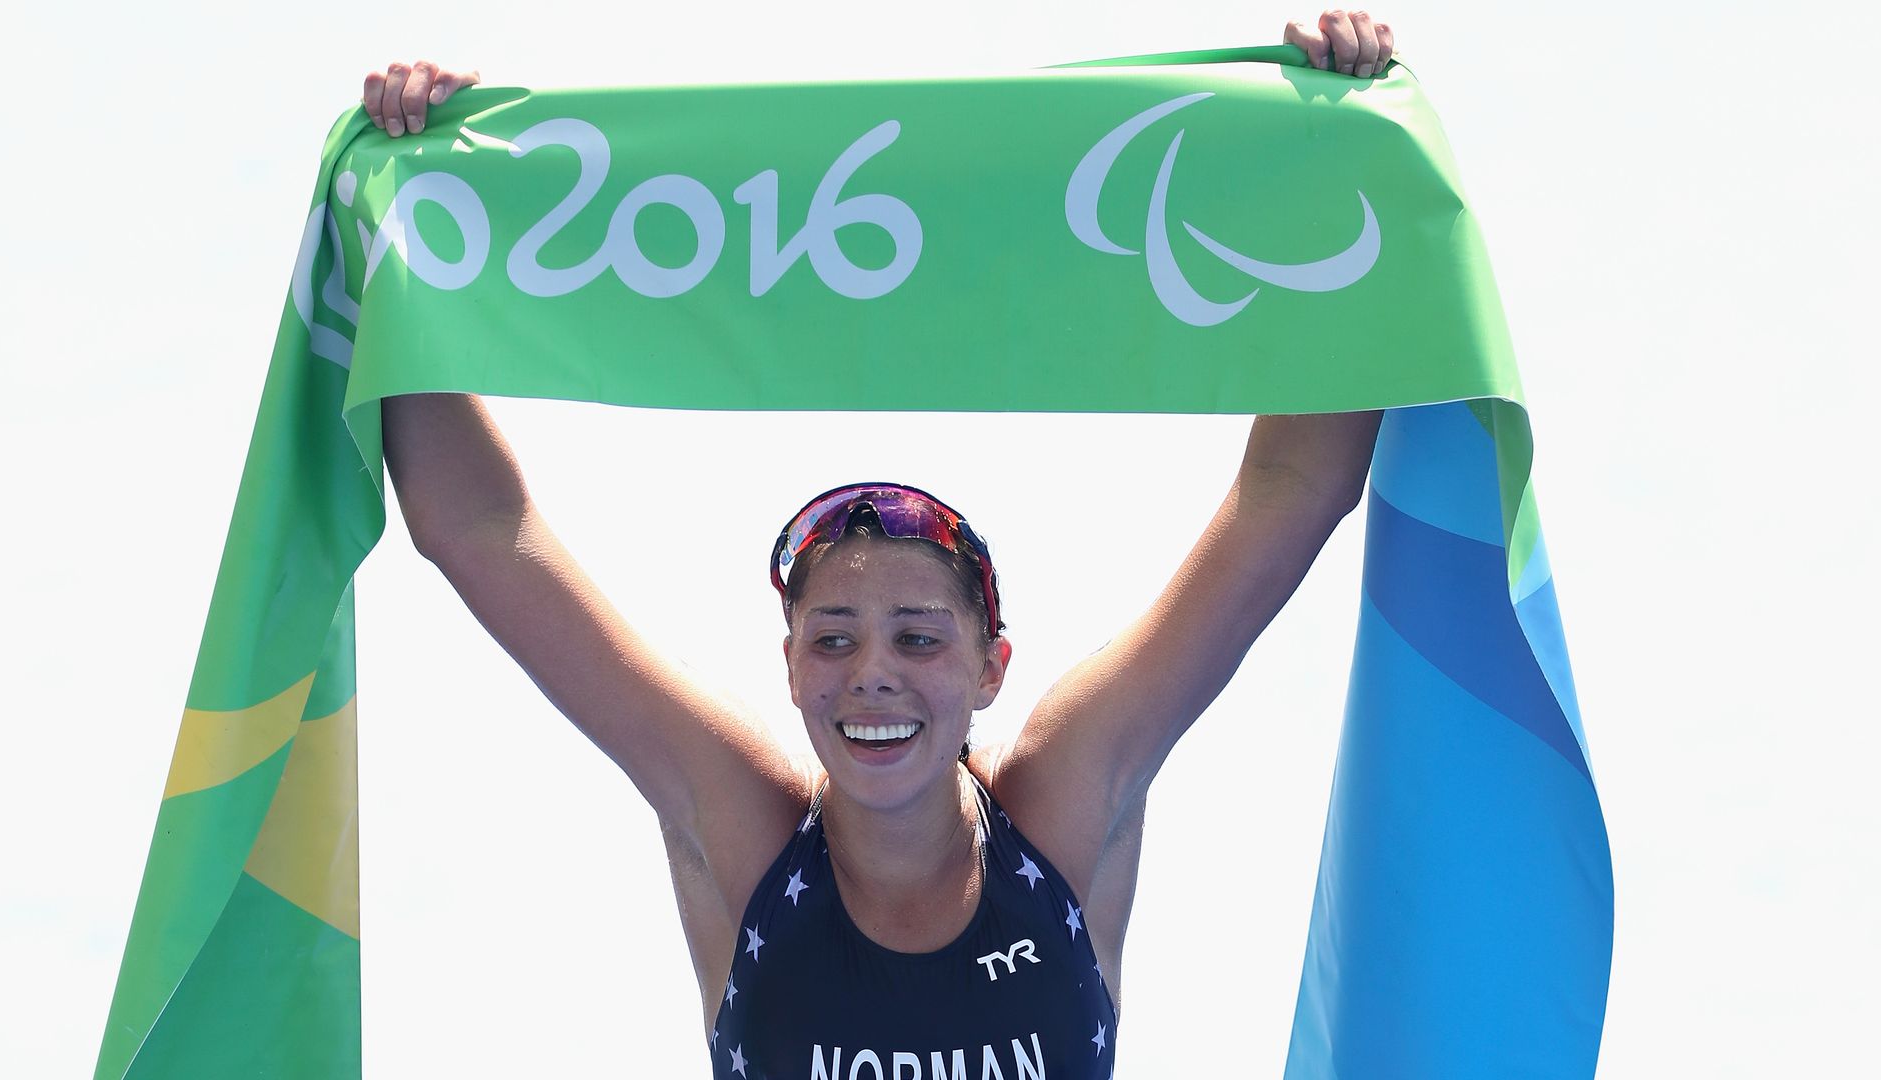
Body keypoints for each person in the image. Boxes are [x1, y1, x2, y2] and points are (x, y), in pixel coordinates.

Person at [371, 12, 1393, 1077]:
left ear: (992, 667)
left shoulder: (1063, 808)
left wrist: (1344, 159)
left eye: (917, 639)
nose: (872, 679)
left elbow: (1289, 493)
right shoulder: (744, 833)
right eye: (833, 640)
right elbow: (481, 532)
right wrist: (407, 215)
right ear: (789, 665)